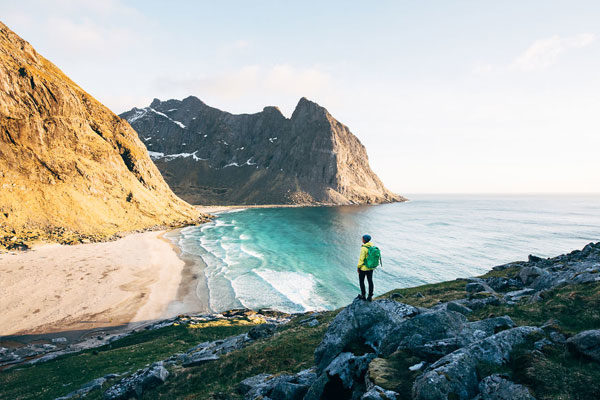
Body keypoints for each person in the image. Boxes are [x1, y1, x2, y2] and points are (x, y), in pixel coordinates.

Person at [357, 234, 375, 301]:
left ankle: (363, 295)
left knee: (362, 281)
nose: (362, 239)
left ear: (364, 240)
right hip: (371, 268)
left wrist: (358, 267)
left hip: (363, 268)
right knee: (370, 281)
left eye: (362, 238)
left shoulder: (364, 248)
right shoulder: (372, 246)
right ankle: (370, 296)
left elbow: (361, 259)